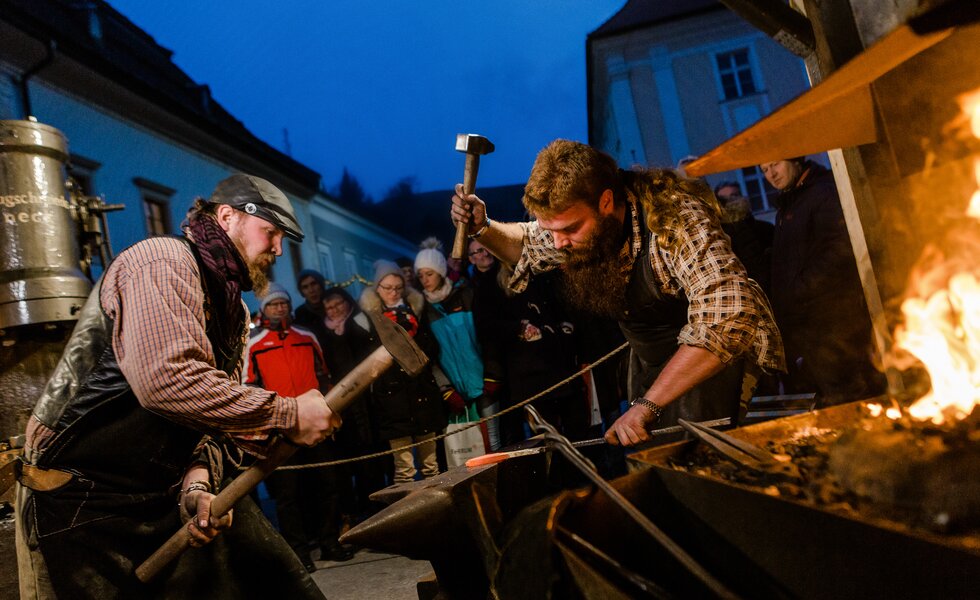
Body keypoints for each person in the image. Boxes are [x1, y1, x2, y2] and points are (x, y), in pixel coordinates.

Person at [15, 173, 340, 599]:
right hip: (83, 502)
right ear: (227, 216)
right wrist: (289, 412)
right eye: (271, 233)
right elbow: (169, 382)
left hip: (160, 492)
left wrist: (198, 485)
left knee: (278, 582)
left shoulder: (233, 312)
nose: (277, 250)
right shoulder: (161, 262)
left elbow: (211, 418)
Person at [451, 140, 784, 447]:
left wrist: (648, 404)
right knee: (655, 469)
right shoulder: (579, 225)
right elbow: (525, 243)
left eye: (568, 229)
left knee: (709, 470)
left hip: (717, 365)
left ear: (606, 202)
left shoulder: (675, 219)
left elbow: (726, 317)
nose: (558, 244)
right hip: (652, 368)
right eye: (551, 231)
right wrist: (483, 227)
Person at [244, 283, 353, 571]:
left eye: (283, 303)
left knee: (327, 485)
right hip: (280, 430)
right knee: (287, 495)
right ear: (263, 309)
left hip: (314, 424)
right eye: (273, 304)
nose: (279, 308)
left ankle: (330, 542)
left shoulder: (306, 336)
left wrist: (328, 412)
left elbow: (323, 375)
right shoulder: (254, 344)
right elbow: (249, 387)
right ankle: (299, 552)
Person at [762, 157, 885, 404]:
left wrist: (801, 288)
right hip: (813, 328)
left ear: (795, 159)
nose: (771, 174)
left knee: (855, 398)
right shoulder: (790, 203)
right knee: (836, 399)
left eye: (775, 164)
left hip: (835, 322)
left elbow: (841, 249)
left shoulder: (821, 193)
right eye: (764, 170)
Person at [469, 240, 585, 447]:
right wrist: (517, 329)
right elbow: (485, 326)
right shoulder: (490, 283)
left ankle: (587, 474)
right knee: (546, 435)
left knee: (578, 428)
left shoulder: (541, 270)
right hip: (528, 373)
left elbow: (564, 303)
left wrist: (566, 325)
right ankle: (555, 477)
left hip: (561, 364)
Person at [359, 260, 447, 483]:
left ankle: (437, 513)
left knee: (431, 466)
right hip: (392, 400)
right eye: (387, 287)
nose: (393, 292)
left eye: (397, 287)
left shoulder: (416, 309)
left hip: (422, 394)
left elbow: (432, 346)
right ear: (377, 288)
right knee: (404, 469)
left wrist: (416, 346)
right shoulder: (368, 319)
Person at [416, 240, 500, 450]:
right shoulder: (423, 311)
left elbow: (488, 336)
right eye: (421, 275)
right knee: (469, 450)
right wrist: (446, 389)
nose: (425, 280)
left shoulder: (466, 294)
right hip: (456, 391)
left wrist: (492, 373)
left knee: (494, 441)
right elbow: (430, 356)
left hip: (483, 382)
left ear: (440, 272)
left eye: (430, 273)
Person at [315, 286, 390, 523]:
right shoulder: (322, 333)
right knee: (351, 462)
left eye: (338, 304)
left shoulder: (359, 321)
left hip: (368, 401)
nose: (335, 309)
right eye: (329, 306)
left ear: (347, 302)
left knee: (374, 459)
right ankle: (358, 512)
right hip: (341, 403)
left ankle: (379, 510)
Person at [713, 181, 774, 295]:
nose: (731, 202)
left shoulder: (765, 229)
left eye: (734, 196)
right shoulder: (720, 236)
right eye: (724, 198)